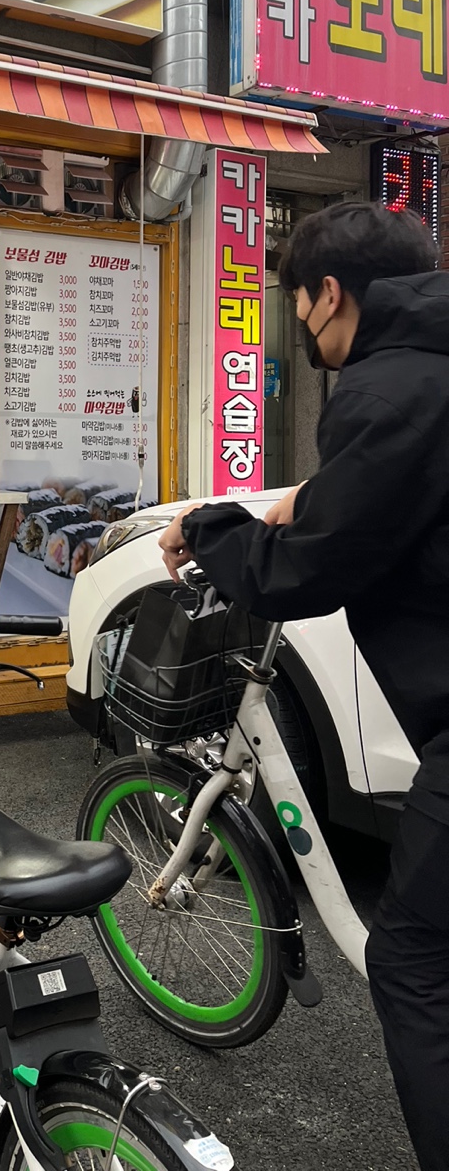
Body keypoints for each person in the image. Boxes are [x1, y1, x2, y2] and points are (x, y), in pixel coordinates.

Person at [158, 201, 448, 1171]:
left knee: (413, 963)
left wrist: (209, 531)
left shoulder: (382, 389)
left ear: (330, 295)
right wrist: (289, 502)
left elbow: (307, 572)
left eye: (297, 305)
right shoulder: (432, 371)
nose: (303, 329)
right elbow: (394, 487)